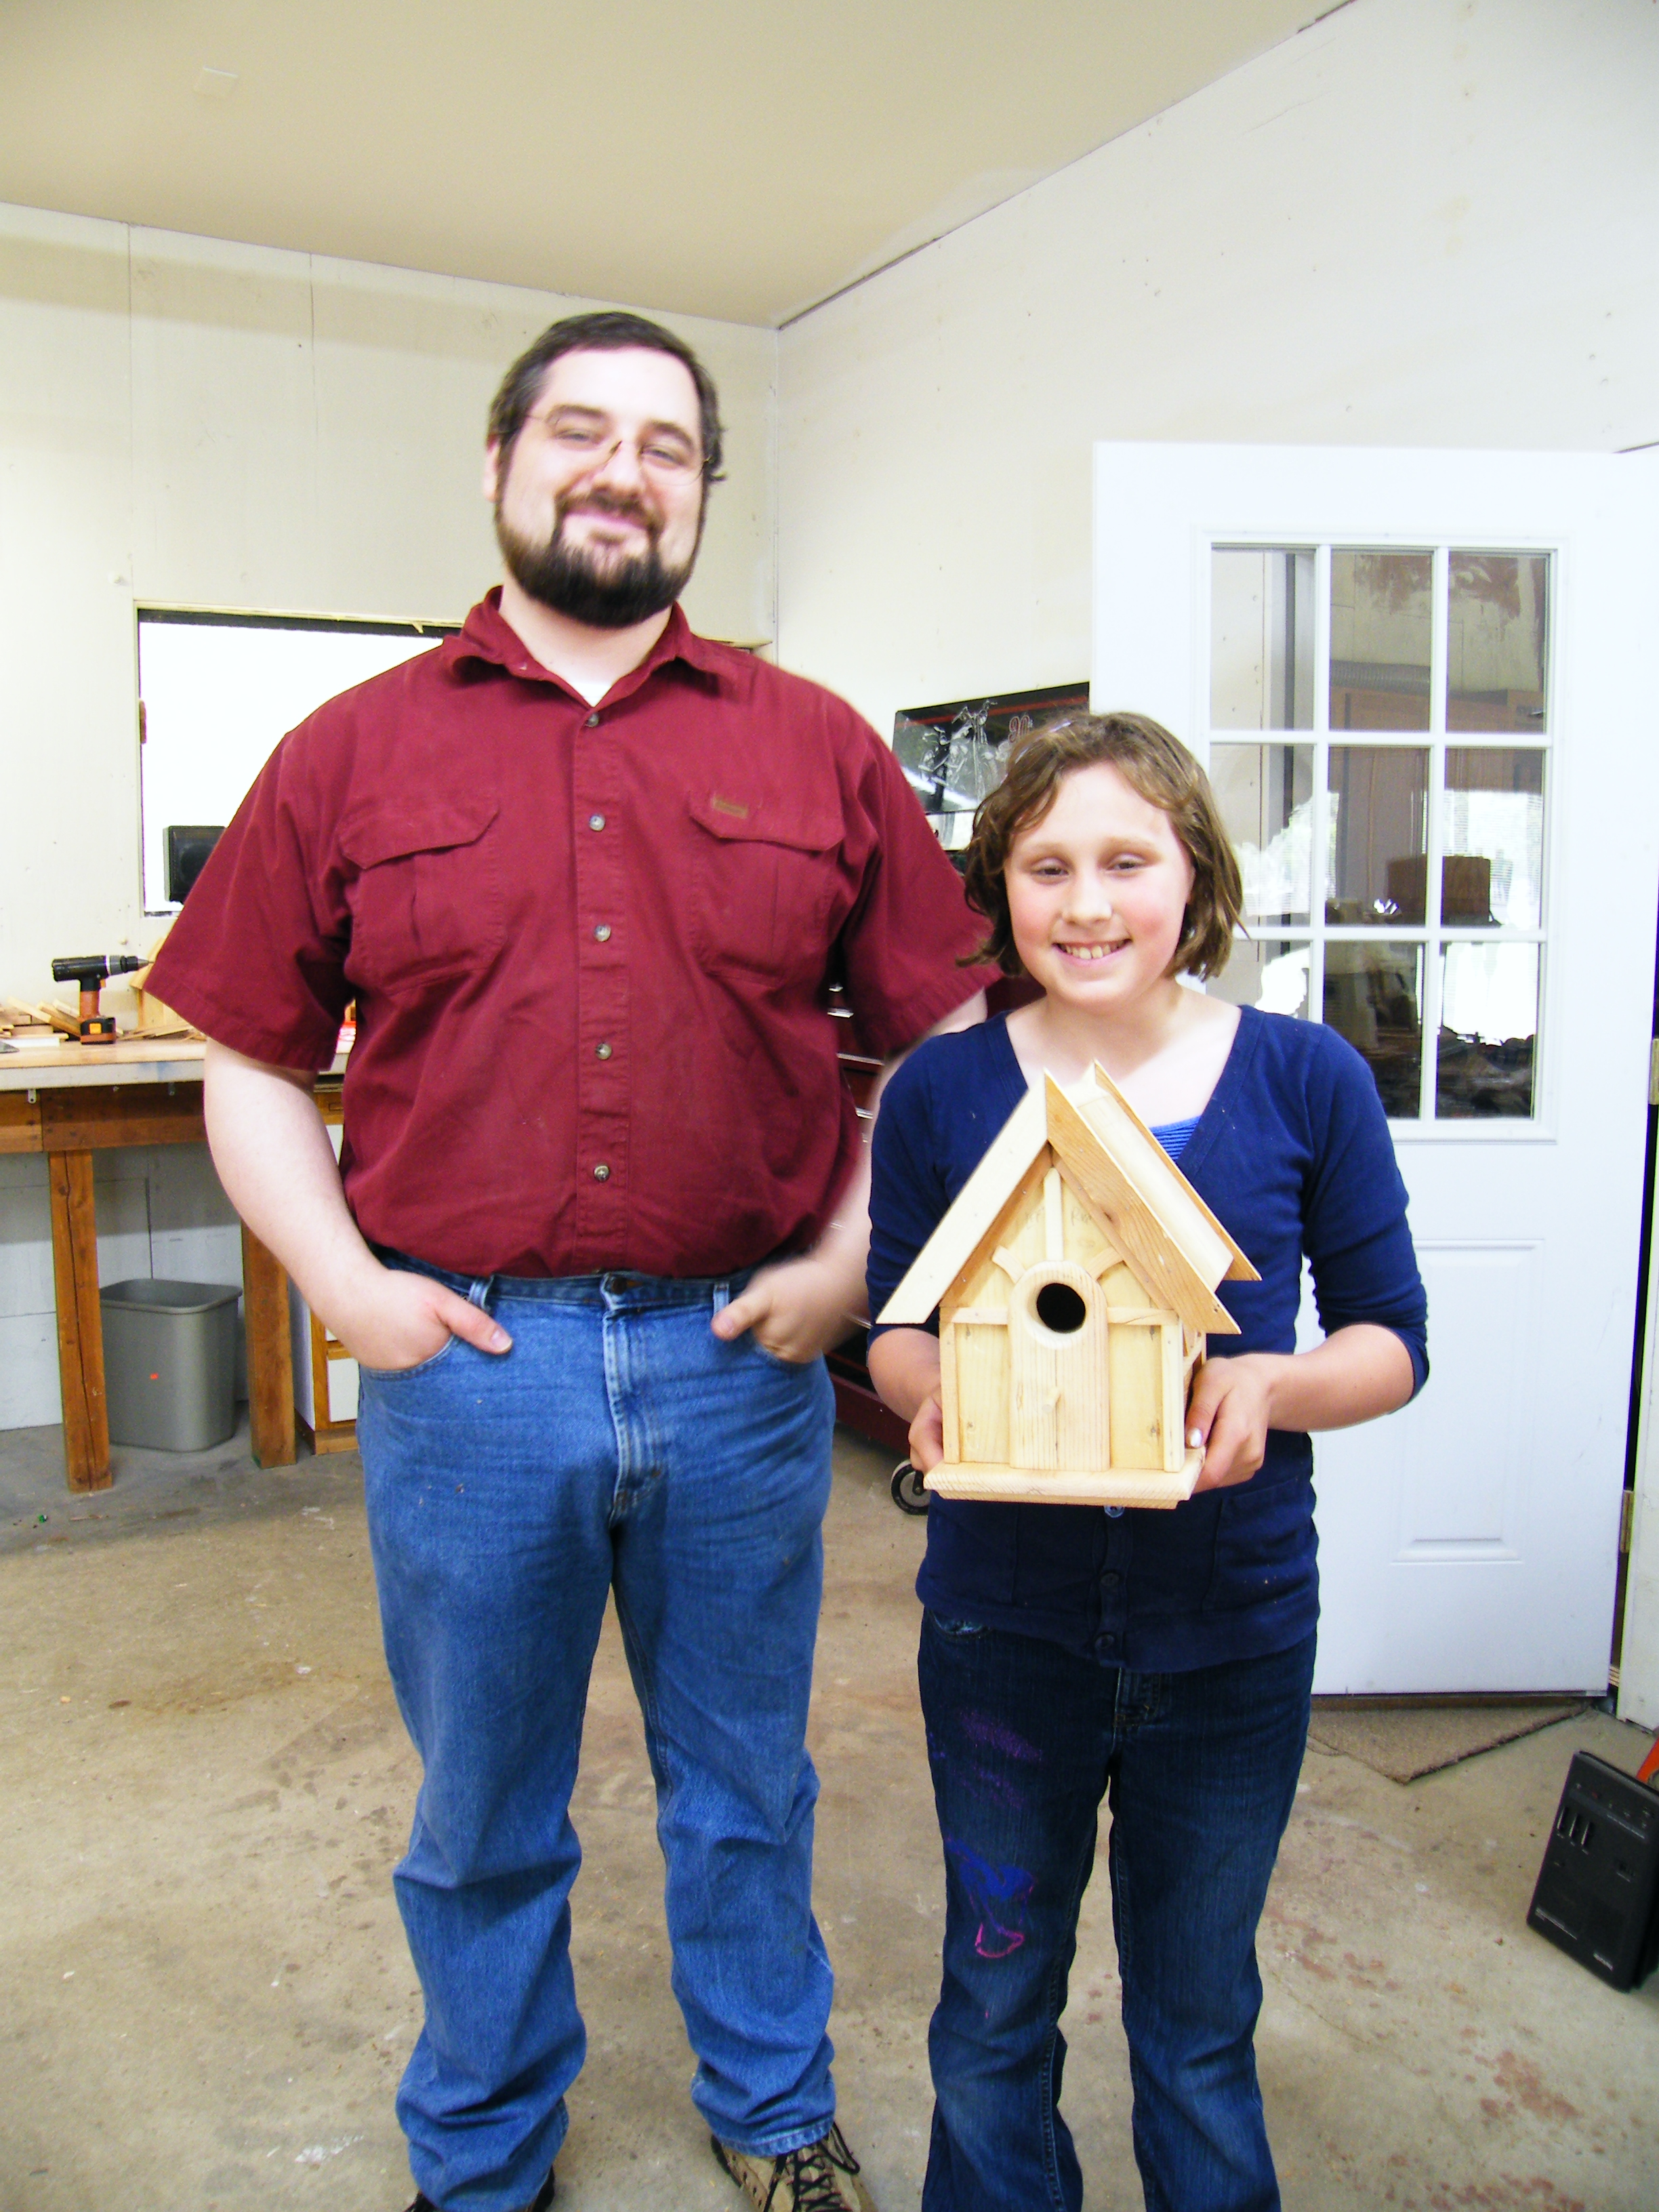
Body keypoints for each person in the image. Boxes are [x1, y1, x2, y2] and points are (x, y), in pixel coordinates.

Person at [146, 310, 987, 2212]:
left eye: (668, 446)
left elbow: (946, 1045)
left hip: (744, 1360)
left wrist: (858, 1258)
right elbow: (248, 1061)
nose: (623, 471)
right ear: (501, 463)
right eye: (581, 432)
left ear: (702, 493)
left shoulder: (814, 743)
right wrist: (348, 1292)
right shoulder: (349, 752)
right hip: (473, 1374)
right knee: (482, 1809)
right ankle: (484, 2149)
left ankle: (771, 2107)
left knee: (747, 1786)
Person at [864, 712, 1428, 2212]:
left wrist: (1273, 1384)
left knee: (1195, 2016)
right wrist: (929, 1389)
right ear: (1001, 889)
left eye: (1128, 860)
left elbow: (1392, 1342)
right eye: (1046, 867)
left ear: (1197, 877)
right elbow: (898, 1321)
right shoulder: (942, 1093)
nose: (1088, 903)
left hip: (1233, 1627)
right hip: (1004, 1631)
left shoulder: (1304, 1078)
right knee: (995, 2004)